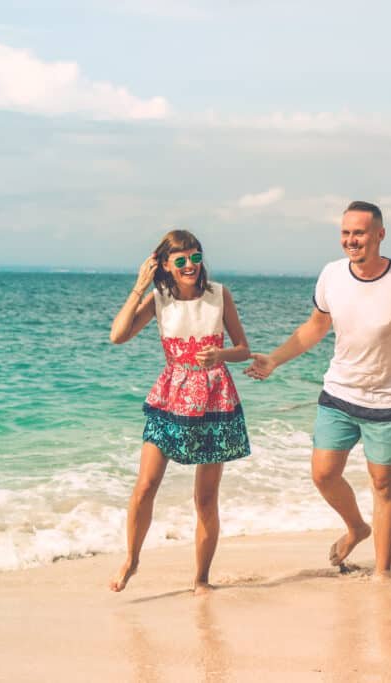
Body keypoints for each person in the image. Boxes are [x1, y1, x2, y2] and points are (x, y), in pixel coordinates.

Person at [245, 201, 391, 581]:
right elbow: (315, 326)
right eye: (345, 233)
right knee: (323, 474)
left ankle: (383, 571)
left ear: (379, 235)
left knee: (383, 485)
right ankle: (357, 527)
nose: (351, 240)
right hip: (339, 394)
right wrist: (275, 360)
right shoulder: (332, 275)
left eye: (359, 233)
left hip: (389, 399)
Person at [108, 229, 251, 595]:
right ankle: (132, 559)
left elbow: (243, 349)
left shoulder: (219, 295)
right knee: (145, 486)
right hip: (170, 398)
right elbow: (118, 336)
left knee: (205, 498)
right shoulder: (159, 300)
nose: (190, 265)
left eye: (195, 257)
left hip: (214, 400)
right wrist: (139, 287)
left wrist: (220, 355)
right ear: (166, 265)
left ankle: (202, 578)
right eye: (181, 260)